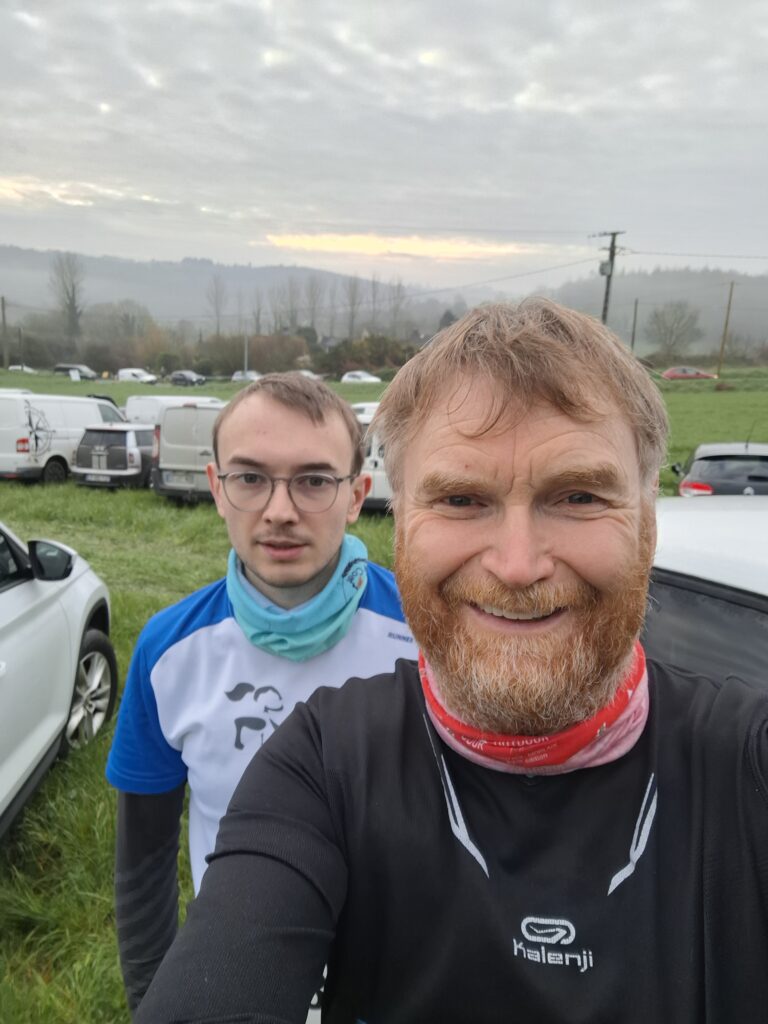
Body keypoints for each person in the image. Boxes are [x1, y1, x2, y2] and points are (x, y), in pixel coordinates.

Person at [135, 302, 768, 1023]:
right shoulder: (322, 762)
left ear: (648, 525)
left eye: (579, 496)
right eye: (462, 499)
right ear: (400, 526)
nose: (518, 565)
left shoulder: (748, 765)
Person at [106, 373, 414, 1014]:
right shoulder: (168, 652)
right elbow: (144, 863)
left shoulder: (426, 638)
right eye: (250, 478)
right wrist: (152, 1000)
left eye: (314, 480)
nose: (279, 511)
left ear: (357, 495)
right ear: (217, 489)